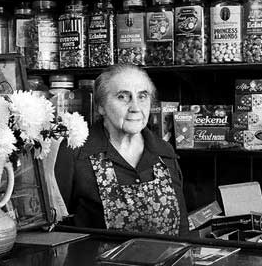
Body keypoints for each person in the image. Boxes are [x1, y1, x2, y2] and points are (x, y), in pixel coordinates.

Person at [55, 64, 188, 235]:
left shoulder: (164, 152)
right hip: (96, 262)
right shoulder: (75, 152)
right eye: (123, 97)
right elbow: (56, 230)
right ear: (101, 106)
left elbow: (182, 231)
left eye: (142, 96)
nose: (135, 107)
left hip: (166, 261)